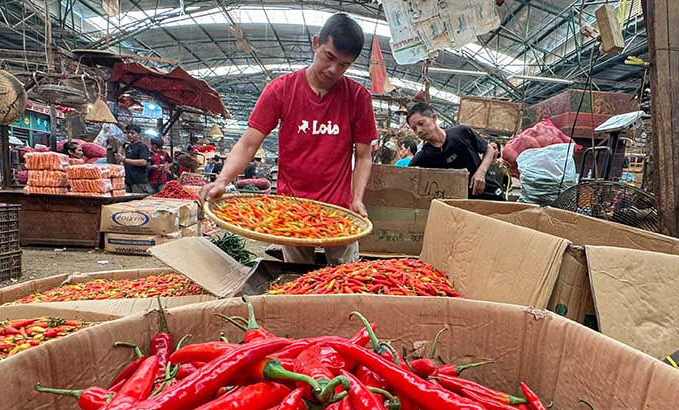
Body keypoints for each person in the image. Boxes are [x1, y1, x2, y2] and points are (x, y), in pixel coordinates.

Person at [200, 13, 377, 265]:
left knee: (344, 278)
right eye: (329, 57)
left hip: (339, 210)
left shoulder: (358, 97)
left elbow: (363, 156)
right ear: (315, 43)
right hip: (290, 207)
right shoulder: (282, 89)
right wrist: (222, 180)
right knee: (297, 281)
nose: (333, 70)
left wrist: (356, 198)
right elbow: (249, 143)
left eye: (344, 65)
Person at [406, 102, 505, 200]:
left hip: (488, 191)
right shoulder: (424, 156)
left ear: (434, 117)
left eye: (421, 123)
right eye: (414, 128)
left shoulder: (461, 133)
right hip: (461, 203)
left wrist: (481, 173)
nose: (419, 130)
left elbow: (489, 149)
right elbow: (407, 176)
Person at [117, 124, 153, 193]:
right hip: (128, 180)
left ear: (138, 135)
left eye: (132, 133)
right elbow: (120, 158)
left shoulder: (142, 146)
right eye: (128, 133)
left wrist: (125, 160)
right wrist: (121, 147)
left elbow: (143, 162)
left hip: (138, 182)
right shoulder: (128, 147)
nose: (129, 135)